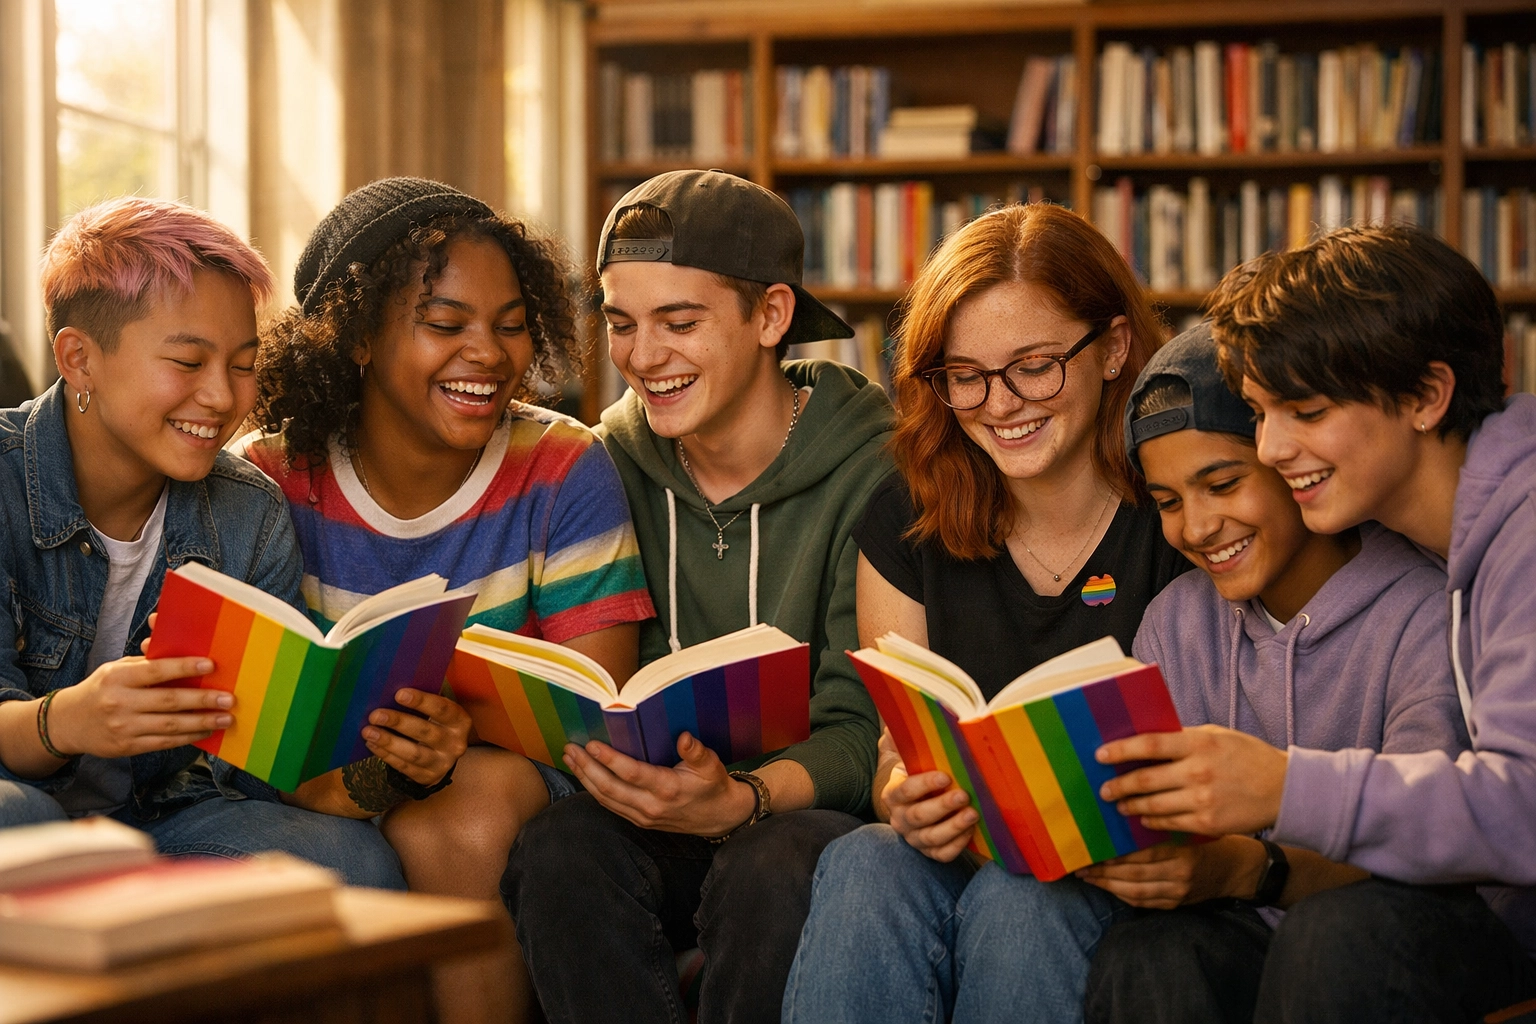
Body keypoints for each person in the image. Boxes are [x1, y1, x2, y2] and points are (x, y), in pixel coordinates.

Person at [239, 177, 656, 1022]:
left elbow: (590, 707)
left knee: (453, 820)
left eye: (510, 324)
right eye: (445, 323)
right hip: (319, 781)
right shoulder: (270, 476)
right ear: (358, 337)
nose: (489, 354)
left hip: (505, 777)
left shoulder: (561, 466)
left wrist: (452, 735)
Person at [1096, 225, 1536, 1021]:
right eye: (1261, 414)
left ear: (1427, 396)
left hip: (1475, 929)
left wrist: (1280, 786)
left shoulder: (1515, 536)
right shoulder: (1460, 541)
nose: (1272, 447)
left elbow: (1522, 810)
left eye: (1305, 411)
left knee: (1340, 937)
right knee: (1153, 952)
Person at [501, 170, 894, 1024]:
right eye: (621, 323)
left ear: (772, 316)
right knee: (560, 850)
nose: (643, 357)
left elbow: (868, 729)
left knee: (773, 867)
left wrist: (744, 799)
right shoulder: (600, 461)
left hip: (804, 814)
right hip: (656, 808)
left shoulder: (876, 471)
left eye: (680, 323)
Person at [783, 202, 1186, 1024]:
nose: (1000, 404)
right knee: (866, 859)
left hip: (1122, 868)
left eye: (1035, 366)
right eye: (965, 375)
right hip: (961, 851)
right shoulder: (907, 514)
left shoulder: (1180, 508)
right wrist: (903, 795)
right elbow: (897, 754)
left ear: (1113, 347)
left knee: (1023, 895)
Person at [0, 196, 402, 888]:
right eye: (188, 362)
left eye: (243, 364)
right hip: (20, 799)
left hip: (164, 815)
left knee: (352, 860)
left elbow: (261, 766)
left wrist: (392, 762)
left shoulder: (249, 513)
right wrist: (66, 721)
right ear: (79, 359)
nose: (221, 397)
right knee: (24, 823)